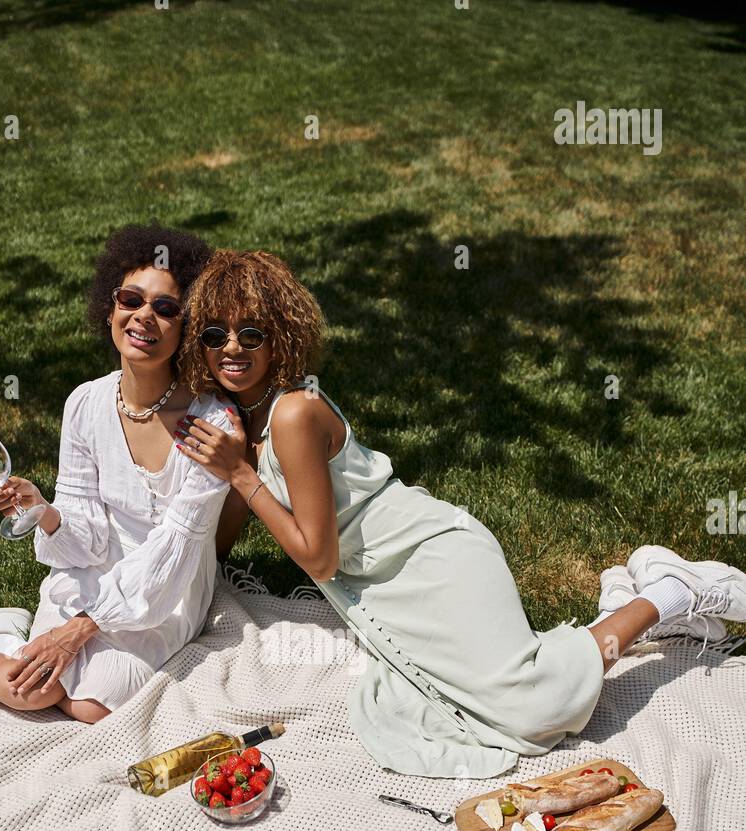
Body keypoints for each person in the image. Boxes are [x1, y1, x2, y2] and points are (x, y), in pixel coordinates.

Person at [171, 248, 746, 778]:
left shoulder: (295, 413)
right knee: (440, 711)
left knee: (534, 712)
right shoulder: (241, 421)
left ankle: (673, 592)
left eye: (252, 333)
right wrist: (224, 475)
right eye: (215, 334)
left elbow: (318, 558)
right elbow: (226, 540)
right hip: (382, 588)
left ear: (282, 337)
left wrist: (241, 477)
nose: (232, 348)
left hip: (434, 561)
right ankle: (618, 612)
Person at [0, 224, 235, 722]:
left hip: (168, 590)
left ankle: (3, 637)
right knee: (36, 689)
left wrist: (79, 629)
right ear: (110, 308)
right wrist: (46, 514)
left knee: (89, 706)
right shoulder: (85, 403)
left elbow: (174, 552)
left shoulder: (213, 422)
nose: (144, 317)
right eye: (130, 299)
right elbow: (86, 537)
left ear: (187, 326)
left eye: (166, 308)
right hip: (93, 572)